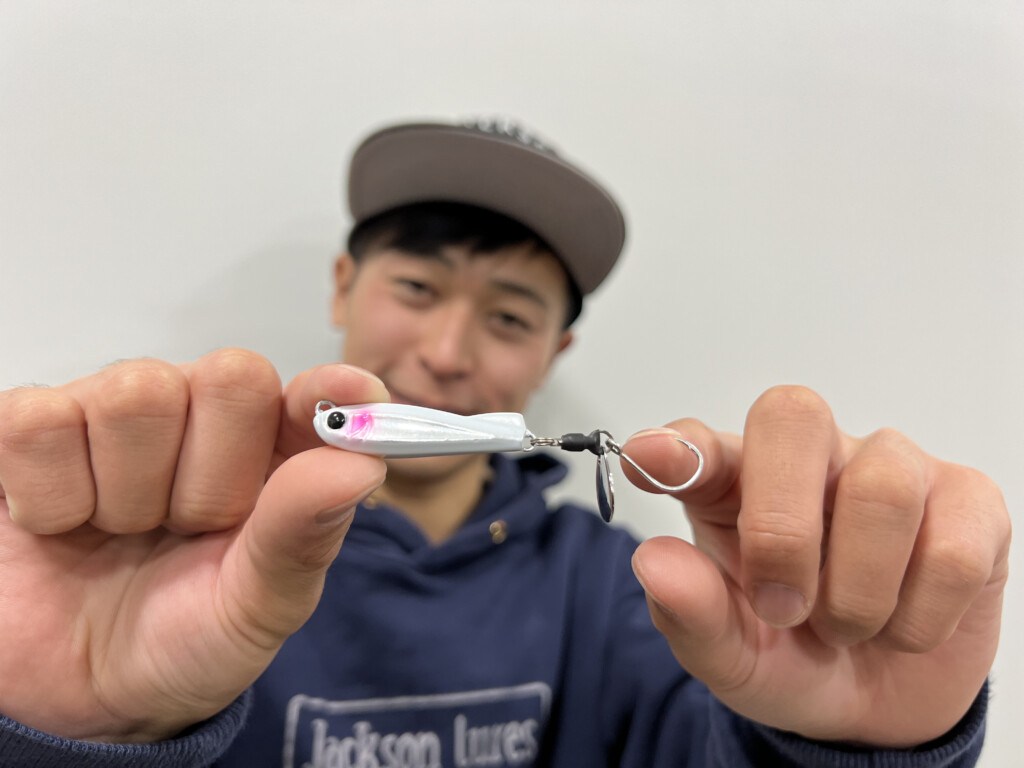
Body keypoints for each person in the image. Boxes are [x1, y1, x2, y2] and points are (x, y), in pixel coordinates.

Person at [0, 118, 1009, 767]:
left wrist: (845, 750)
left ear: (553, 353)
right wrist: (69, 736)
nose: (445, 355)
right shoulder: (168, 561)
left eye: (510, 316)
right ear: (344, 286)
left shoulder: (619, 593)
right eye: (416, 286)